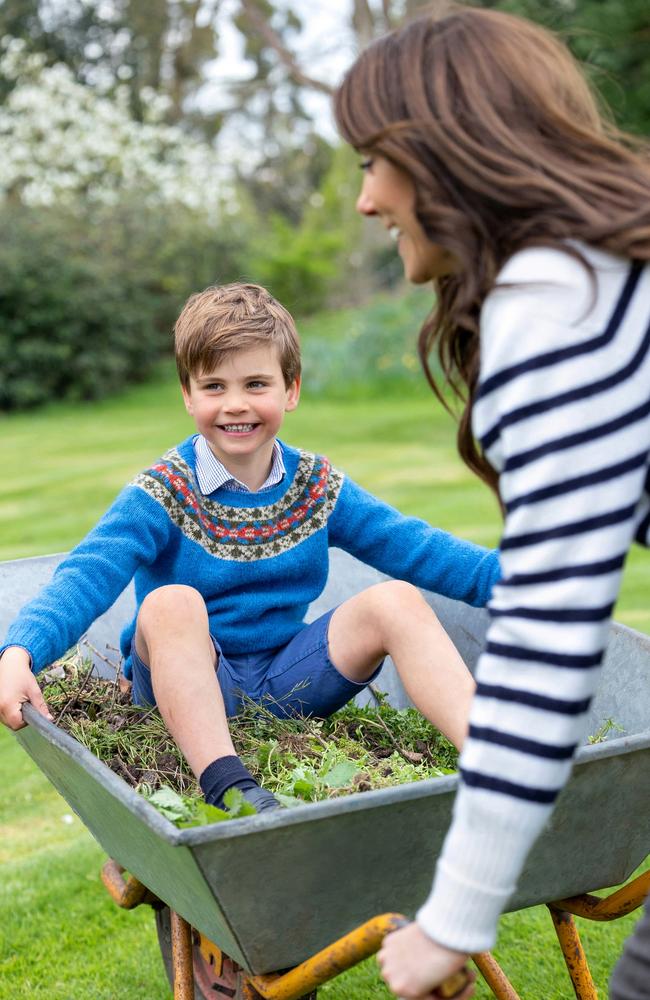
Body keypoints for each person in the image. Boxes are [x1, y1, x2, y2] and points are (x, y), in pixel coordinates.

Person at [334, 4, 650, 998]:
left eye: (370, 163)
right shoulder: (603, 272)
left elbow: (549, 640)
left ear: (439, 157)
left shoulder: (551, 313)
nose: (363, 201)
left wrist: (452, 917)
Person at [0, 281, 499, 820]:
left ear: (291, 389)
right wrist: (20, 651)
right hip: (185, 686)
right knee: (171, 603)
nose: (235, 404)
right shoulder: (163, 490)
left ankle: (496, 764)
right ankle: (229, 787)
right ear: (188, 395)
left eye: (256, 383)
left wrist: (533, 583)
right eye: (214, 386)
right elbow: (88, 572)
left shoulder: (317, 484)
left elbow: (417, 548)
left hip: (287, 681)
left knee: (395, 599)